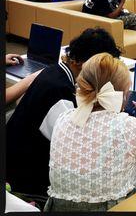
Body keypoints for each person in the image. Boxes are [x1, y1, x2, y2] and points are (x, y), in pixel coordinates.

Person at [44, 53, 136, 211]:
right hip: (112, 208)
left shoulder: (63, 118)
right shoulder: (126, 126)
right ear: (122, 96)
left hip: (60, 207)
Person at [6, 28, 122, 197]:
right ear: (82, 63)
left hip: (15, 157)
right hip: (26, 180)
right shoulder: (60, 92)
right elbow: (73, 148)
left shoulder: (55, 71)